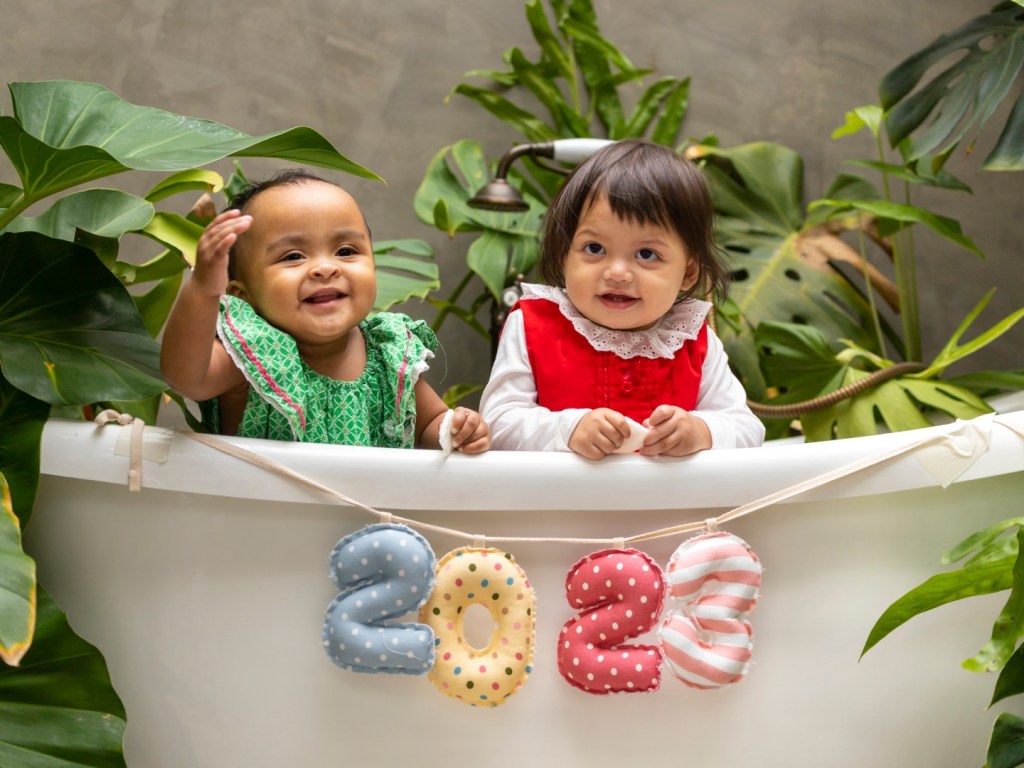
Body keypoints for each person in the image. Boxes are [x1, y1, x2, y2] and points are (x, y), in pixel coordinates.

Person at [161, 169, 490, 453]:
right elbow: (186, 376)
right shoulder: (254, 357)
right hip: (266, 520)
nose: (325, 267)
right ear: (241, 296)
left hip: (372, 515)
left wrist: (454, 429)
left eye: (345, 251)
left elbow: (428, 423)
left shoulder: (387, 357)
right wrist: (203, 290)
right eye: (293, 256)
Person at [479, 140, 764, 458]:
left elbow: (746, 427)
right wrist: (569, 428)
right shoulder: (532, 326)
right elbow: (497, 424)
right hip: (557, 505)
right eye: (594, 248)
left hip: (668, 506)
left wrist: (701, 431)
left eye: (646, 254)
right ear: (563, 255)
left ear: (688, 272)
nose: (616, 272)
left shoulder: (692, 340)